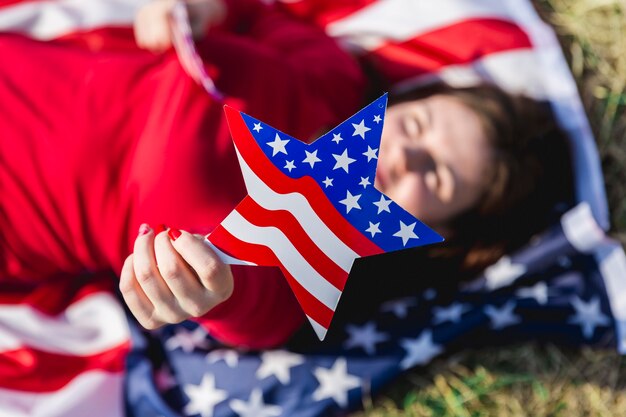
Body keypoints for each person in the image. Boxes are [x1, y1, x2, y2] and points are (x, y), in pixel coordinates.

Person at [0, 0, 574, 350]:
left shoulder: (300, 276)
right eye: (418, 124)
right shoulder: (333, 77)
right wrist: (207, 11)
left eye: (438, 178)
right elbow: (256, 14)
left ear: (439, 234)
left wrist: (201, 291)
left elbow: (233, 305)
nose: (405, 154)